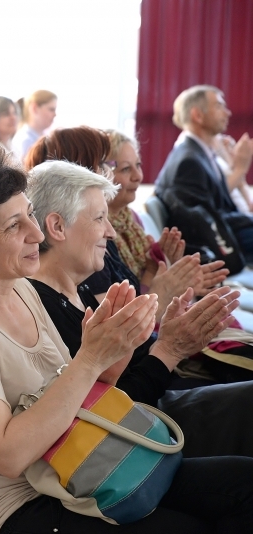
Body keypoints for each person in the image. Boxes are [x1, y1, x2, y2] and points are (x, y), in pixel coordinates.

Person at [0, 143, 253, 533]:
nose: (36, 233)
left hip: (76, 471)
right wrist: (90, 359)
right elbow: (9, 457)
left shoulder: (19, 286)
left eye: (29, 217)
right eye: (13, 226)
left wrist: (115, 352)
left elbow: (75, 403)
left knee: (243, 481)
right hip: (19, 506)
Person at [27, 160, 253, 459]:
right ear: (57, 227)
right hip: (137, 440)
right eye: (99, 218)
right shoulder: (39, 307)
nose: (110, 232)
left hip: (157, 410)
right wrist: (168, 349)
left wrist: (169, 337)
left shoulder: (76, 290)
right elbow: (108, 413)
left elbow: (131, 372)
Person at [26, 126, 224, 320]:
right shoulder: (84, 254)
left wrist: (162, 269)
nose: (108, 172)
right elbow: (123, 332)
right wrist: (163, 292)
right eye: (104, 163)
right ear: (76, 170)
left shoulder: (106, 236)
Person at [154, 85, 253, 262]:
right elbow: (209, 220)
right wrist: (240, 169)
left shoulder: (201, 154)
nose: (228, 113)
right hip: (221, 245)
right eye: (219, 106)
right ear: (197, 115)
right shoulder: (189, 161)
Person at [13, 89, 57, 162]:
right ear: (35, 108)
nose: (55, 114)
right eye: (51, 109)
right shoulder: (25, 141)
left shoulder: (43, 136)